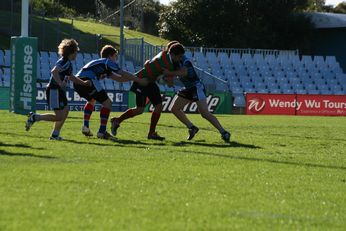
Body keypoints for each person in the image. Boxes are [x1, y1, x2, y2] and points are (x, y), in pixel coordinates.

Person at [110, 43, 185, 140]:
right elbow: (170, 83)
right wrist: (167, 78)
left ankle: (151, 133)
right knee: (140, 110)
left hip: (150, 82)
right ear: (174, 54)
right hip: (141, 81)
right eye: (179, 57)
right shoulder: (168, 65)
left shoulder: (164, 53)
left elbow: (150, 63)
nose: (180, 59)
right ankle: (117, 121)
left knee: (158, 106)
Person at [74, 45, 146, 140]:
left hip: (78, 82)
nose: (116, 59)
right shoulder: (107, 62)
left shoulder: (102, 64)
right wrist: (138, 80)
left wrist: (133, 78)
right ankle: (102, 132)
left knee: (92, 100)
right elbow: (122, 73)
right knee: (107, 103)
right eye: (115, 56)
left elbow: (119, 79)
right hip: (89, 80)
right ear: (109, 56)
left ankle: (86, 126)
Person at [163, 42, 231, 142]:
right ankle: (192, 127)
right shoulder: (174, 62)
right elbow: (170, 83)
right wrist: (167, 78)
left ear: (174, 54)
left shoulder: (185, 61)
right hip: (189, 89)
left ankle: (224, 132)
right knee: (174, 108)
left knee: (205, 114)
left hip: (196, 88)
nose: (170, 57)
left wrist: (169, 73)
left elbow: (184, 72)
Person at [25, 38, 90, 140]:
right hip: (54, 90)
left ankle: (55, 135)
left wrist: (83, 83)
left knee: (66, 110)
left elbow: (71, 77)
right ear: (71, 52)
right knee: (59, 116)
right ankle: (34, 117)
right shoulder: (64, 61)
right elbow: (54, 71)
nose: (76, 55)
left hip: (59, 91)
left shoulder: (67, 63)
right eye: (76, 52)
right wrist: (60, 83)